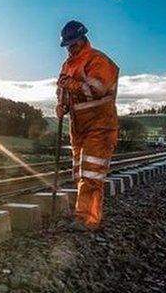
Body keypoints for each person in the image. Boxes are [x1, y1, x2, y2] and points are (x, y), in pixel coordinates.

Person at [55, 20, 119, 231]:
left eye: (73, 44)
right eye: (68, 45)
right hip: (78, 126)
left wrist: (70, 86)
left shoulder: (99, 60)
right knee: (80, 173)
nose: (70, 48)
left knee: (91, 175)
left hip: (100, 125)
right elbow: (62, 89)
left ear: (83, 39)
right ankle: (80, 215)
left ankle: (87, 219)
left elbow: (96, 90)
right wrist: (61, 104)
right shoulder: (67, 64)